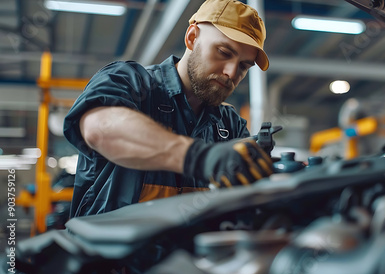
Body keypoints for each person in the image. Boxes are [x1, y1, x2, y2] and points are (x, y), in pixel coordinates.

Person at [63, 0, 273, 218]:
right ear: (192, 38)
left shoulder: (230, 125)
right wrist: (199, 158)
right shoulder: (131, 83)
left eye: (243, 66)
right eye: (223, 52)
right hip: (107, 250)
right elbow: (99, 129)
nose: (231, 72)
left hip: (188, 252)